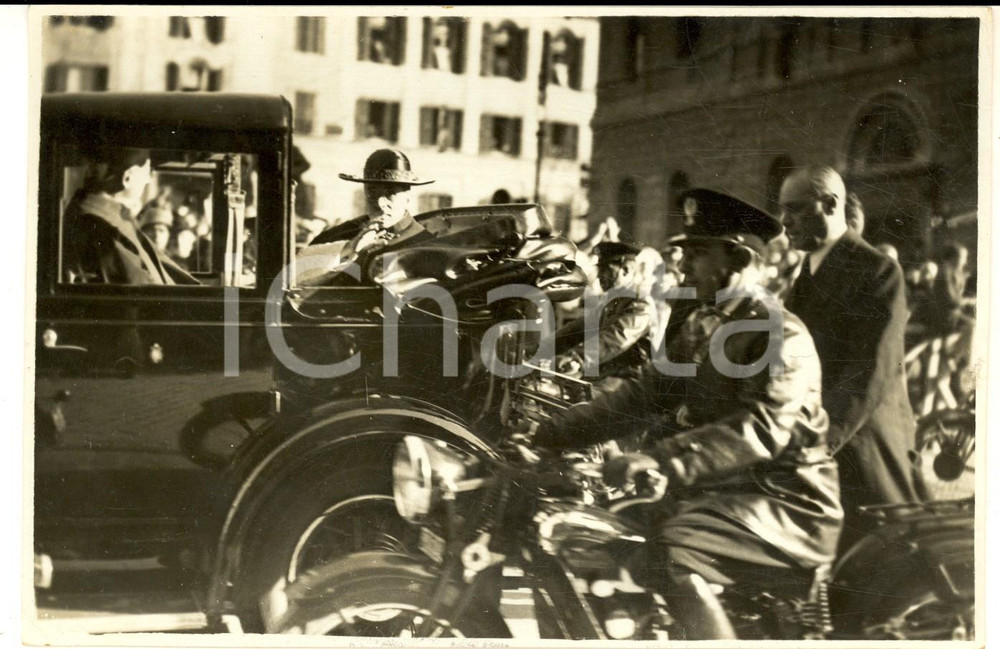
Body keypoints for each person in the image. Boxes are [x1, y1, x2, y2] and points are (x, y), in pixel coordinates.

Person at [529, 189, 842, 640]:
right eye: (685, 252)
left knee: (675, 553)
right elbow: (641, 397)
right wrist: (549, 435)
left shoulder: (778, 332)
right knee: (596, 534)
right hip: (722, 493)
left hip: (787, 500)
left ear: (735, 259)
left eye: (698, 252)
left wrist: (661, 460)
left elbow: (760, 429)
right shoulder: (703, 324)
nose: (683, 263)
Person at [779, 166, 922, 548]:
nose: (784, 221)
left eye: (794, 209)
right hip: (818, 446)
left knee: (877, 576)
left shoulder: (876, 269)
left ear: (829, 204)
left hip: (861, 450)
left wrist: (819, 442)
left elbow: (870, 371)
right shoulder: (806, 273)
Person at [62, 147, 197, 285]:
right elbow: (140, 287)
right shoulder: (97, 224)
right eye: (148, 170)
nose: (149, 179)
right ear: (127, 178)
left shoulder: (112, 216)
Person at [300, 148, 435, 285]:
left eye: (390, 193)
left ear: (407, 195)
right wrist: (348, 250)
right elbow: (296, 274)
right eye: (372, 191)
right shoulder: (339, 235)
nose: (380, 202)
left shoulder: (426, 245)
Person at [550, 241, 655, 394]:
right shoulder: (612, 300)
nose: (599, 276)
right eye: (600, 269)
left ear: (625, 270)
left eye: (606, 269)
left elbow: (615, 338)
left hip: (625, 384)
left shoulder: (641, 303)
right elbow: (578, 328)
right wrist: (543, 348)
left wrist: (576, 358)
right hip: (602, 376)